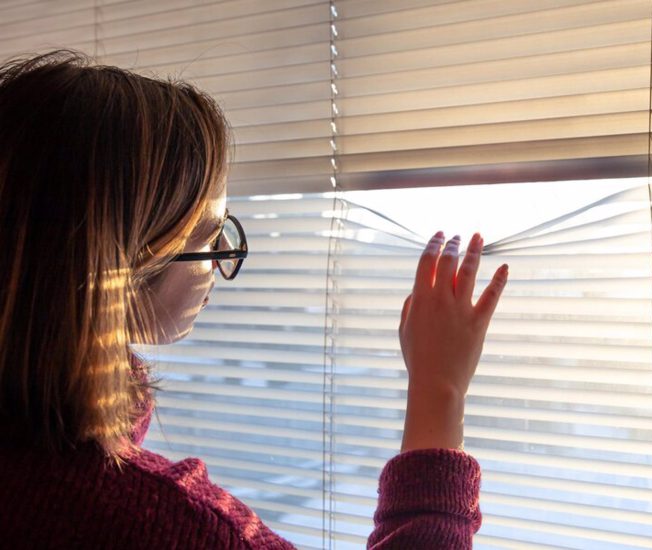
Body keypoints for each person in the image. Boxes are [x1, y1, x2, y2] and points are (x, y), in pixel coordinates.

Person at [0, 50, 508, 549]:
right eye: (207, 233)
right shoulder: (165, 523)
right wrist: (439, 388)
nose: (225, 255)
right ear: (124, 259)